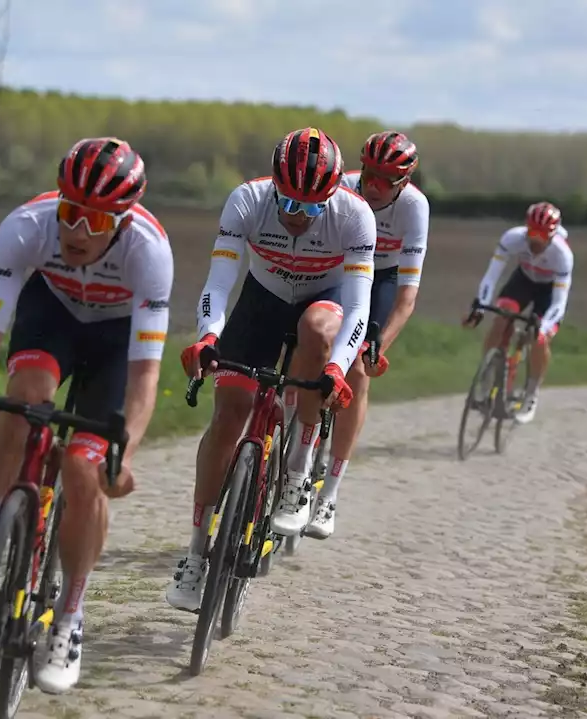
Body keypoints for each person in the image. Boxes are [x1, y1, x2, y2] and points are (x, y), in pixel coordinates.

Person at [0, 137, 173, 694]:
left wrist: (120, 455)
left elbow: (144, 377)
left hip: (115, 340)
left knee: (86, 469)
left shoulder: (149, 253)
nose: (79, 231)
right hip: (53, 311)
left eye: (98, 220)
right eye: (71, 213)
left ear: (124, 221)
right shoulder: (25, 228)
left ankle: (69, 617)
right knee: (24, 399)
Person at [165, 127, 376, 612]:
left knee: (319, 331)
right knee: (227, 416)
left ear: (334, 195)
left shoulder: (355, 216)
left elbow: (359, 307)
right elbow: (219, 283)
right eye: (291, 205)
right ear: (274, 189)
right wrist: (208, 337)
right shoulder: (247, 201)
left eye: (314, 208)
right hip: (263, 298)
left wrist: (339, 370)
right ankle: (196, 554)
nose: (300, 218)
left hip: (323, 301)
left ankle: (298, 474)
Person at [306, 130, 429, 540]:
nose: (373, 186)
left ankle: (330, 494)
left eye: (385, 180)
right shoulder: (342, 187)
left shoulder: (414, 207)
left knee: (356, 367)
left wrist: (379, 347)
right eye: (369, 174)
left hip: (382, 278)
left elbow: (407, 297)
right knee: (309, 337)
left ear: (405, 182)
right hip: (338, 268)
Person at [464, 201, 573, 424]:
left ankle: (531, 394)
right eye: (532, 233)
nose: (535, 241)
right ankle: (486, 378)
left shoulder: (562, 255)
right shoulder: (512, 238)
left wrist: (543, 329)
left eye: (542, 236)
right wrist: (480, 305)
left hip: (549, 291)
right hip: (523, 280)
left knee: (539, 339)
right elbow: (492, 275)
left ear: (552, 236)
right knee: (501, 316)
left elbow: (560, 302)